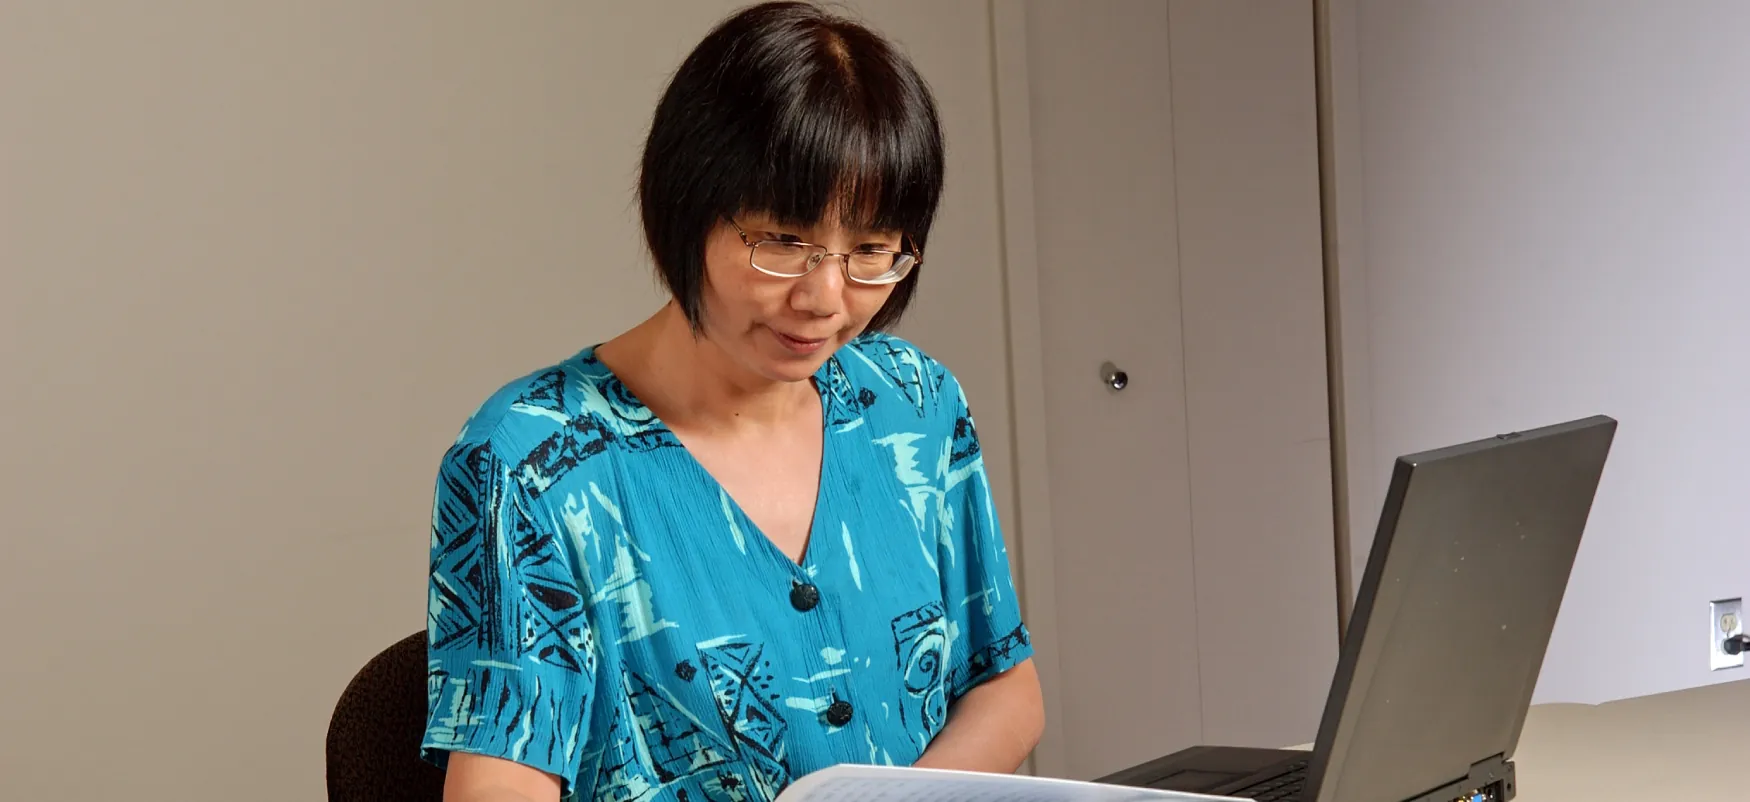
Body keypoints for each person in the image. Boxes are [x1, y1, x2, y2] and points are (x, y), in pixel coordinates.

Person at [420, 3, 1043, 800]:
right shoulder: (532, 464)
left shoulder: (914, 405)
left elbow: (1007, 689)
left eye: (871, 250)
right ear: (686, 204)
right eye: (783, 242)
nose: (825, 299)